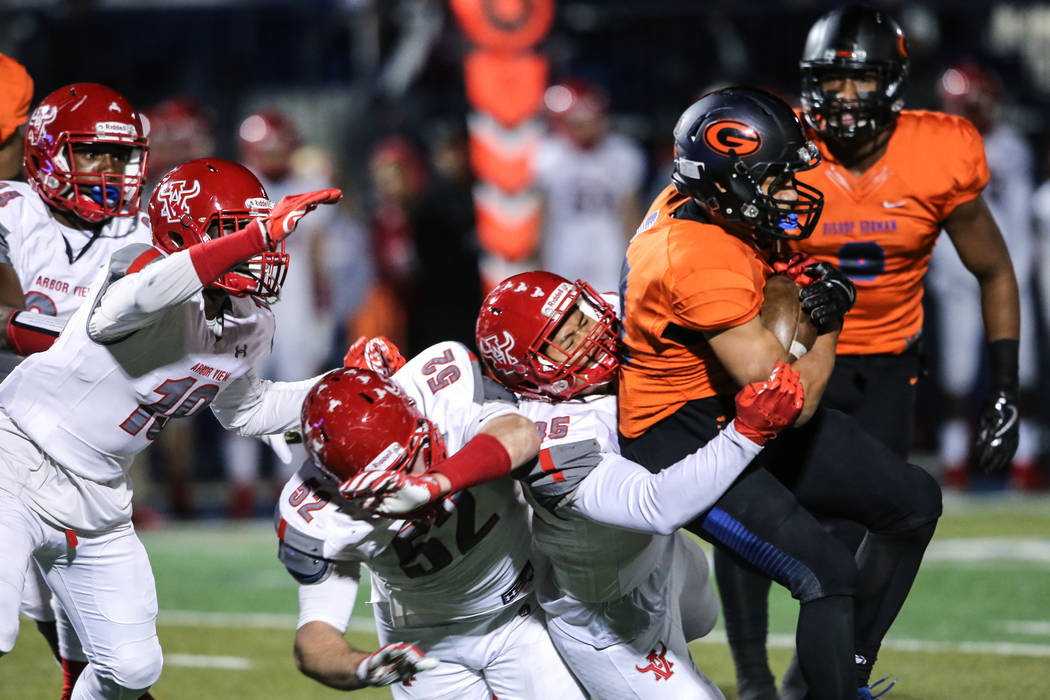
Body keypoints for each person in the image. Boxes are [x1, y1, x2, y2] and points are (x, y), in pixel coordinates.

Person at [712, 9, 1024, 699]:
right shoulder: (781, 145)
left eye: (861, 81)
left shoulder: (940, 150)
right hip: (787, 359)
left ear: (893, 84)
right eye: (832, 81)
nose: (845, 98)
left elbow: (995, 269)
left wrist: (1005, 386)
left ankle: (818, 679)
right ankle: (755, 682)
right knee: (752, 517)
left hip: (885, 363)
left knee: (870, 525)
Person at [616, 86, 942, 700]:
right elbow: (787, 404)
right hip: (680, 436)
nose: (793, 191)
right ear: (727, 183)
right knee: (824, 571)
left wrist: (792, 293)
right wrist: (826, 326)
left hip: (723, 400)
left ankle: (842, 678)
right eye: (776, 179)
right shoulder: (695, 257)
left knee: (913, 501)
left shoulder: (701, 202)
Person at [0, 156, 340, 699]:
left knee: (131, 671)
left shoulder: (251, 319)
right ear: (187, 233)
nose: (262, 247)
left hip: (98, 493)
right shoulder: (138, 265)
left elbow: (248, 410)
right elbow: (142, 295)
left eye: (261, 229)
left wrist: (346, 385)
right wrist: (253, 238)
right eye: (239, 230)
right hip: (14, 458)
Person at [471, 271, 804, 700]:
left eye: (579, 315)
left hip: (659, 557)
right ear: (532, 374)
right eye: (566, 339)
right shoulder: (551, 440)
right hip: (607, 614)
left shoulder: (608, 314)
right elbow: (656, 505)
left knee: (703, 617)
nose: (590, 335)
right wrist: (746, 434)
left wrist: (765, 283)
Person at [276, 346, 587, 699]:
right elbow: (314, 639)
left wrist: (437, 482)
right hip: (424, 640)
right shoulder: (321, 514)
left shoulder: (441, 395)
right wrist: (360, 666)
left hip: (524, 610)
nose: (407, 477)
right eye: (382, 482)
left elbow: (520, 433)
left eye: (410, 459)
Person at [0, 81, 155, 698]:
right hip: (11, 434)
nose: (111, 171)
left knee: (84, 620)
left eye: (122, 157)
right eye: (94, 153)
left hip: (81, 450)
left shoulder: (142, 233)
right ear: (46, 152)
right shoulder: (12, 208)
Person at [222, 109, 338, 517]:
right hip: (247, 304)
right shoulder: (238, 187)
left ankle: (290, 486)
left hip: (297, 308)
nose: (271, 156)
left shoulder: (309, 184)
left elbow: (322, 258)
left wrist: (324, 311)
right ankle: (242, 490)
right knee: (239, 395)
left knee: (296, 400)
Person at [930, 60, 1039, 490]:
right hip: (956, 280)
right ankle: (955, 460)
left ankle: (1024, 460)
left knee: (1019, 374)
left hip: (1009, 277)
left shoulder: (1010, 147)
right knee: (955, 378)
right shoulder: (937, 149)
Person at [534, 79, 646, 294]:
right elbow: (542, 214)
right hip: (564, 245)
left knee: (613, 307)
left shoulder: (623, 153)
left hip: (609, 244)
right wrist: (539, 261)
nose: (584, 129)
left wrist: (638, 257)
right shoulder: (547, 154)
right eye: (576, 123)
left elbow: (630, 212)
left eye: (588, 121)